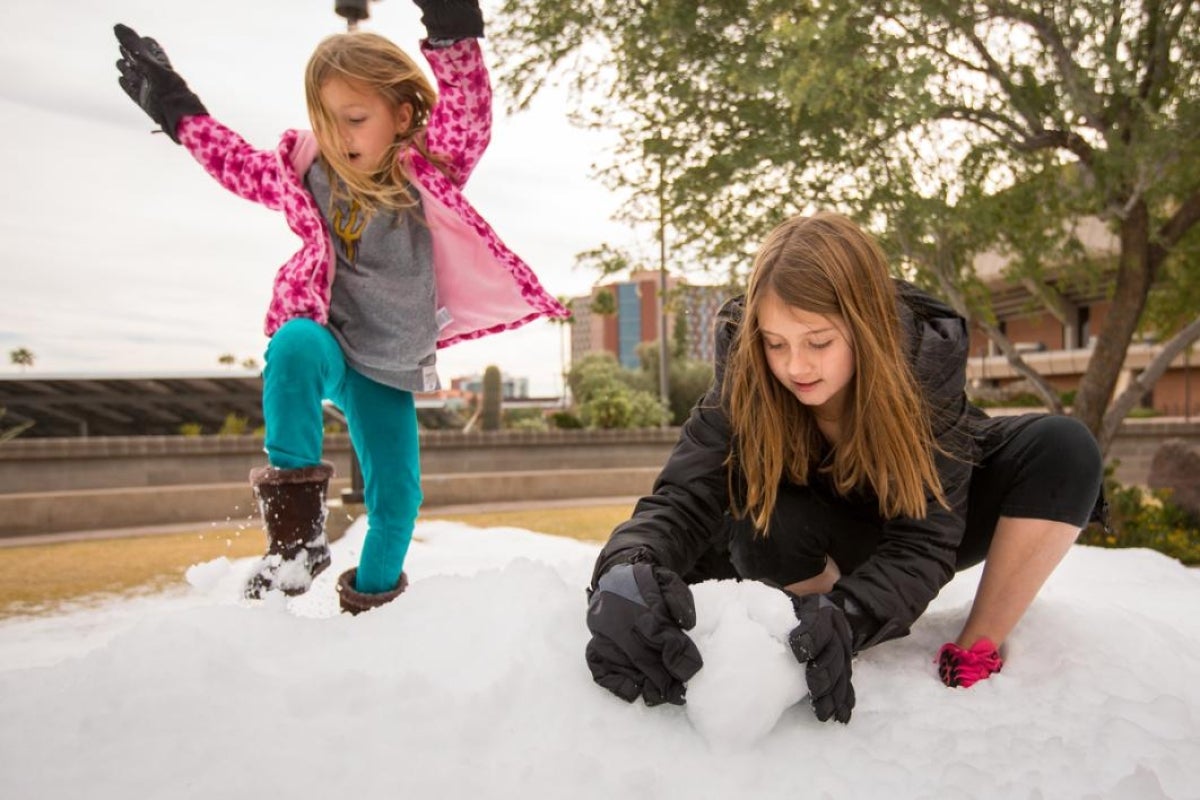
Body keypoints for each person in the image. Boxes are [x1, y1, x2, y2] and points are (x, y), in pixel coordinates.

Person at [113, 1, 568, 613]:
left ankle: (370, 608)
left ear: (401, 115)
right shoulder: (305, 171)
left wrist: (453, 29)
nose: (338, 137)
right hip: (329, 335)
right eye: (326, 122)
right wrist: (173, 102)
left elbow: (467, 116)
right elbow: (233, 163)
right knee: (294, 344)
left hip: (386, 364)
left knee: (398, 502)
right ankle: (297, 544)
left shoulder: (427, 169)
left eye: (354, 119)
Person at [584, 212, 1104, 722]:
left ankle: (972, 649)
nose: (795, 366)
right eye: (776, 343)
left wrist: (852, 617)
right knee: (761, 522)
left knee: (1065, 447)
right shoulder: (745, 377)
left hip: (924, 521)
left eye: (819, 342)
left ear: (866, 325)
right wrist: (625, 571)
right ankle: (810, 628)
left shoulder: (923, 364)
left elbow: (924, 539)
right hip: (811, 541)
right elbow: (683, 497)